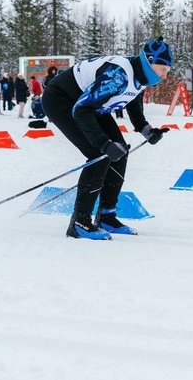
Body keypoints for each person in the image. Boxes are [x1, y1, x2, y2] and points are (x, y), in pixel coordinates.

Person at [42, 37, 173, 240]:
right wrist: (103, 144)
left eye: (167, 72)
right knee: (99, 153)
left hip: (90, 106)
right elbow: (82, 110)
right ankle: (79, 222)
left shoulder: (140, 75)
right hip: (63, 100)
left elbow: (132, 101)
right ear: (148, 61)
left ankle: (106, 216)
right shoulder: (118, 75)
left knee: (119, 150)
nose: (164, 76)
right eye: (162, 70)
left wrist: (146, 130)